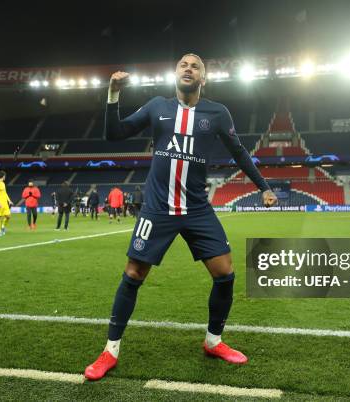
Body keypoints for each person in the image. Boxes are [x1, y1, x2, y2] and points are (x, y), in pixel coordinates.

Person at [84, 54, 277, 381]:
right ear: (175, 74)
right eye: (183, 65)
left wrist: (263, 187)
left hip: (197, 208)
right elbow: (114, 134)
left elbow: (239, 151)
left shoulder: (217, 113)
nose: (188, 68)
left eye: (195, 66)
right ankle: (110, 351)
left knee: (225, 273)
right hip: (158, 208)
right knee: (134, 273)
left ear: (203, 78)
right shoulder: (157, 106)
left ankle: (213, 341)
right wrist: (113, 94)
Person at [0, 170, 12, 237]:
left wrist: (9, 200)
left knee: (8, 216)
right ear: (3, 176)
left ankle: (3, 227)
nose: (5, 177)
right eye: (5, 176)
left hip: (5, 203)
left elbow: (4, 193)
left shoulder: (3, 184)